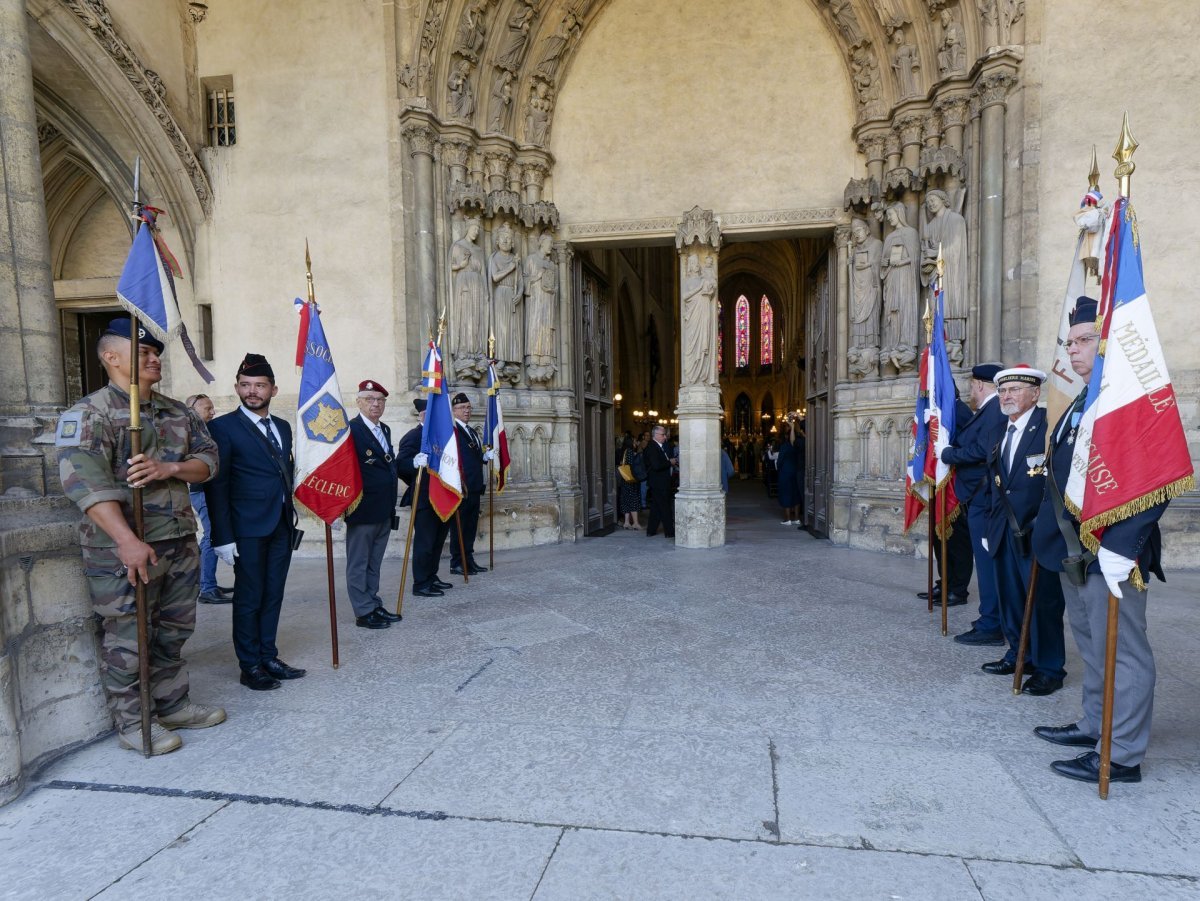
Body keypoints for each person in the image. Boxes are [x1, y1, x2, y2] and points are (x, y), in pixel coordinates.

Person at [56, 318, 225, 755]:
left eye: (157, 354)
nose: (155, 359)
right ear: (111, 357)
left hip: (178, 539)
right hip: (121, 548)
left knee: (173, 630)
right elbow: (84, 485)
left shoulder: (177, 411)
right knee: (129, 637)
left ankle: (172, 703)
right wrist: (127, 541)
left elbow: (209, 460)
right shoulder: (88, 414)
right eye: (144, 353)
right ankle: (133, 722)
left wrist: (170, 468)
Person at [1031, 298, 1169, 785]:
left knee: (1125, 652)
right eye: (1070, 343)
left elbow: (1160, 476)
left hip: (1113, 551)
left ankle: (1123, 754)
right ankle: (1096, 726)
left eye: (1085, 340)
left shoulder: (1128, 401)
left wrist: (1122, 546)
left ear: (1111, 341)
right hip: (1077, 551)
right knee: (1092, 645)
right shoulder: (1082, 402)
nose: (1073, 351)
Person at [205, 354, 305, 692]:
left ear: (273, 390)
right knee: (249, 597)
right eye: (245, 385)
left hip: (279, 524)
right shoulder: (222, 427)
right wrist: (222, 536)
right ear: (236, 388)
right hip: (245, 529)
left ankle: (268, 656)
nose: (252, 391)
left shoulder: (283, 427)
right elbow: (217, 485)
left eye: (259, 385)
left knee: (273, 593)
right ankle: (250, 665)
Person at [979, 365, 1066, 695]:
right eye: (1002, 391)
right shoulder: (1001, 430)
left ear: (1035, 393)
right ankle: (1020, 654)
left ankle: (1049, 668)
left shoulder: (1049, 427)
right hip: (1004, 530)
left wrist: (1047, 526)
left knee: (1043, 602)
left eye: (1014, 390)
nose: (1006, 396)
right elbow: (995, 483)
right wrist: (990, 526)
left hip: (1038, 533)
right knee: (1011, 597)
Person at [939, 363, 1007, 643]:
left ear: (979, 384)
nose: (970, 391)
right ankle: (989, 617)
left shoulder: (992, 411)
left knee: (988, 564)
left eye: (971, 385)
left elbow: (983, 450)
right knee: (987, 562)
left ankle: (992, 624)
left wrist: (948, 454)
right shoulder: (988, 411)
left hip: (983, 498)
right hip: (979, 496)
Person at [344, 380, 404, 630]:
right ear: (358, 402)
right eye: (369, 399)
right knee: (358, 563)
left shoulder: (384, 429)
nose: (375, 404)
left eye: (379, 399)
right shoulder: (351, 430)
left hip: (383, 508)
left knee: (374, 561)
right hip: (363, 509)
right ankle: (362, 610)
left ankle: (373, 602)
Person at [397, 399, 454, 597]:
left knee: (437, 542)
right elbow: (401, 465)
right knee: (425, 543)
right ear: (421, 415)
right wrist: (413, 464)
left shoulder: (440, 436)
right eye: (428, 415)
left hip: (443, 496)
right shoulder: (413, 437)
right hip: (424, 497)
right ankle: (421, 583)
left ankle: (431, 576)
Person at [186, 393, 231, 605]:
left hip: (209, 490)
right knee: (212, 535)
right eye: (208, 409)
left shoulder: (206, 430)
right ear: (194, 410)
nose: (213, 412)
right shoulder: (191, 432)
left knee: (212, 534)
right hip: (202, 491)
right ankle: (207, 588)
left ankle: (208, 582)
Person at [449, 392, 493, 575]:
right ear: (453, 411)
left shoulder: (471, 431)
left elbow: (474, 457)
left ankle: (469, 559)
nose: (466, 411)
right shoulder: (453, 432)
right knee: (459, 526)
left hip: (474, 487)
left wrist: (484, 457)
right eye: (461, 408)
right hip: (461, 488)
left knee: (470, 527)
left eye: (468, 407)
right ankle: (457, 562)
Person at [644, 425, 676, 539]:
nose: (665, 437)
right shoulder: (652, 447)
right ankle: (670, 532)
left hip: (661, 482)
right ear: (656, 435)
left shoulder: (659, 446)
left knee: (656, 507)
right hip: (658, 483)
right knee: (665, 507)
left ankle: (651, 530)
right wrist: (670, 462)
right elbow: (656, 466)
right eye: (663, 435)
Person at [775, 417, 801, 524]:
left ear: (787, 435)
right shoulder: (800, 444)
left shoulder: (785, 446)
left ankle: (787, 518)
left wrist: (779, 468)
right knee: (796, 494)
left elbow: (780, 460)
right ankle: (797, 518)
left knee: (786, 494)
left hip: (786, 472)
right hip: (797, 471)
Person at [616, 435, 642, 529]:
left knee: (626, 500)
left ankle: (626, 522)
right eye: (634, 441)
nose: (636, 443)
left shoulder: (623, 451)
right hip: (631, 480)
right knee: (633, 500)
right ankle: (635, 523)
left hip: (624, 479)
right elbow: (631, 466)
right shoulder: (630, 452)